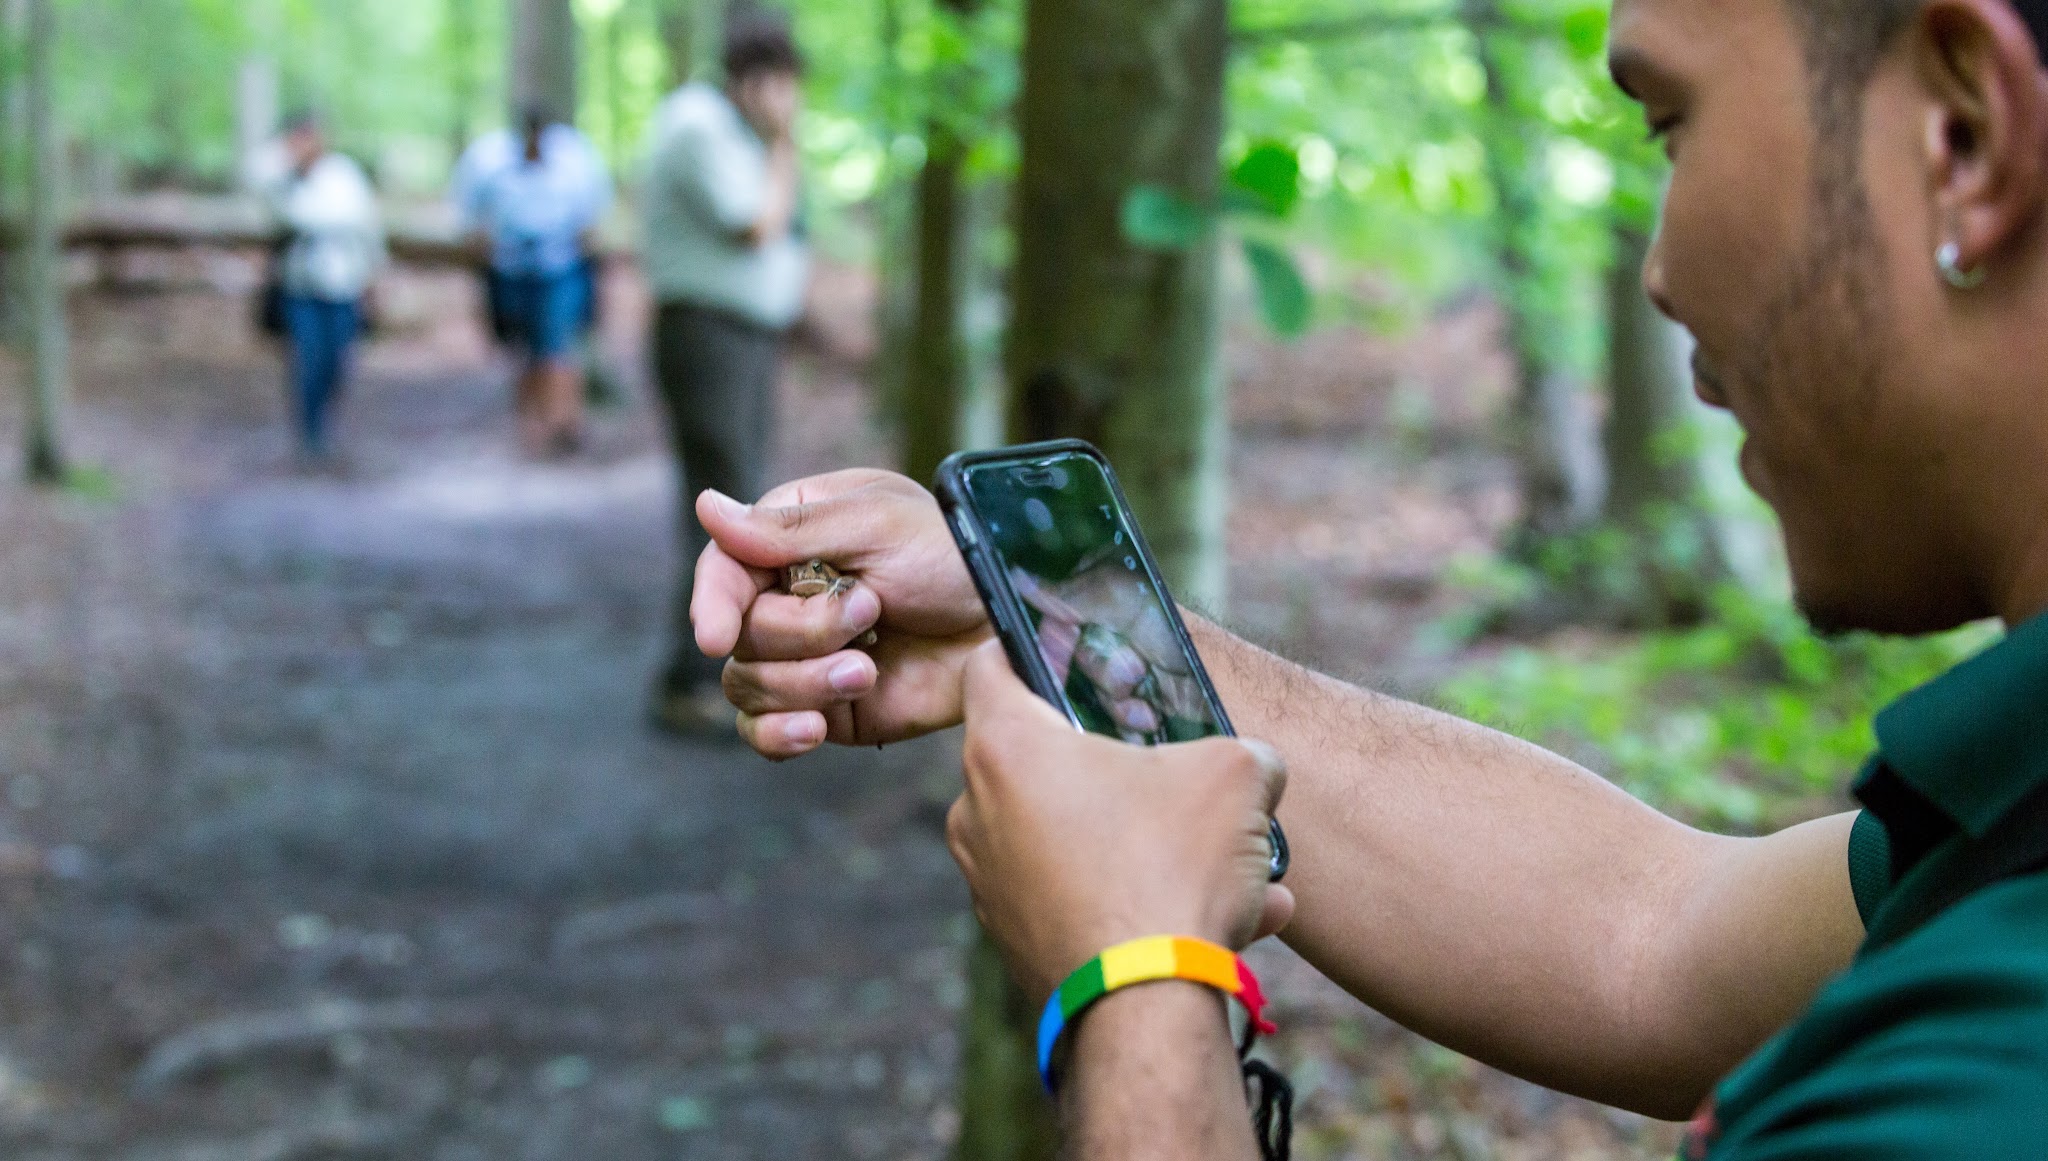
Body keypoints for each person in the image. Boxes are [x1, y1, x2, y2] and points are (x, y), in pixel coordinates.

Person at [687, 0, 2048, 1156]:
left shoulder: (1985, 1081)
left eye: (1671, 122)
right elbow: (1654, 940)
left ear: (1965, 134)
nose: (1660, 270)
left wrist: (1136, 978)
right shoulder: (2003, 831)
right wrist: (1063, 624)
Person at [641, 10, 809, 735]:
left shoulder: (725, 127)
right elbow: (756, 223)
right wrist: (784, 145)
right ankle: (692, 678)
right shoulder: (699, 124)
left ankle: (708, 673)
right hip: (707, 336)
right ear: (759, 80)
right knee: (726, 510)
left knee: (733, 499)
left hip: (736, 337)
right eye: (785, 89)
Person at [452, 107, 613, 457]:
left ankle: (563, 421)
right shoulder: (489, 163)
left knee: (555, 345)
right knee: (525, 348)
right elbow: (472, 222)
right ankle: (534, 424)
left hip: (560, 270)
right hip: (510, 271)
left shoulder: (575, 161)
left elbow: (592, 223)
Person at [258, 112, 385, 469]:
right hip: (300, 287)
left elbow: (368, 230)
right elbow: (260, 176)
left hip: (344, 283)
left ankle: (328, 425)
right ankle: (310, 433)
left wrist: (374, 279)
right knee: (308, 359)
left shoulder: (344, 177)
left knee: (337, 360)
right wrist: (286, 161)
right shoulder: (281, 180)